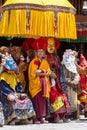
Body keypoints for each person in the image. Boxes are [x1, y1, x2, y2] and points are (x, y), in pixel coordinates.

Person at [0, 53, 35, 125]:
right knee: (14, 101)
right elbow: (3, 88)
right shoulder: (3, 76)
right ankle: (12, 119)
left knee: (27, 99)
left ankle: (24, 117)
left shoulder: (14, 75)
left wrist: (21, 93)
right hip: (6, 95)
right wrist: (10, 95)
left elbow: (19, 86)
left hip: (16, 93)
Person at [46, 38, 70, 123]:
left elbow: (59, 69)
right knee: (55, 97)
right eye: (49, 45)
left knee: (62, 96)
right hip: (48, 81)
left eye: (53, 45)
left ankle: (62, 115)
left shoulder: (56, 57)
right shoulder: (45, 57)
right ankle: (55, 116)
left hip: (57, 81)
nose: (51, 47)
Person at [28, 38, 51, 124]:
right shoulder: (33, 62)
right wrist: (44, 72)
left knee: (42, 102)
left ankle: (42, 117)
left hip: (43, 85)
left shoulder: (45, 62)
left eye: (42, 52)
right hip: (36, 84)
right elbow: (35, 73)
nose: (41, 53)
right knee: (36, 102)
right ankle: (36, 118)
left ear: (44, 53)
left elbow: (49, 72)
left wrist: (42, 72)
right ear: (36, 53)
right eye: (39, 52)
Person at [62, 49, 80, 120]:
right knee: (67, 98)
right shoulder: (63, 65)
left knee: (74, 100)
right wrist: (69, 82)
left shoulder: (74, 65)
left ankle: (74, 113)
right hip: (67, 85)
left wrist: (75, 81)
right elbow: (63, 76)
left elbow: (77, 75)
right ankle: (68, 113)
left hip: (73, 86)